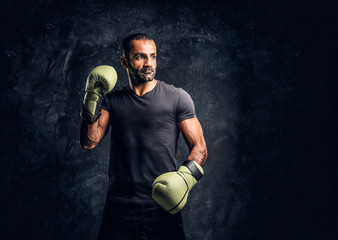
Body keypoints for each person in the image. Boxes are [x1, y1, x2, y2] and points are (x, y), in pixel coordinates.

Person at [79, 33, 207, 240]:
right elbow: (89, 141)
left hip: (162, 205)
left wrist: (185, 178)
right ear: (125, 62)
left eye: (153, 56)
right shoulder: (112, 101)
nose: (149, 63)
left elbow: (200, 147)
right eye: (140, 57)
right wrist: (92, 97)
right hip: (119, 206)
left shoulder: (177, 98)